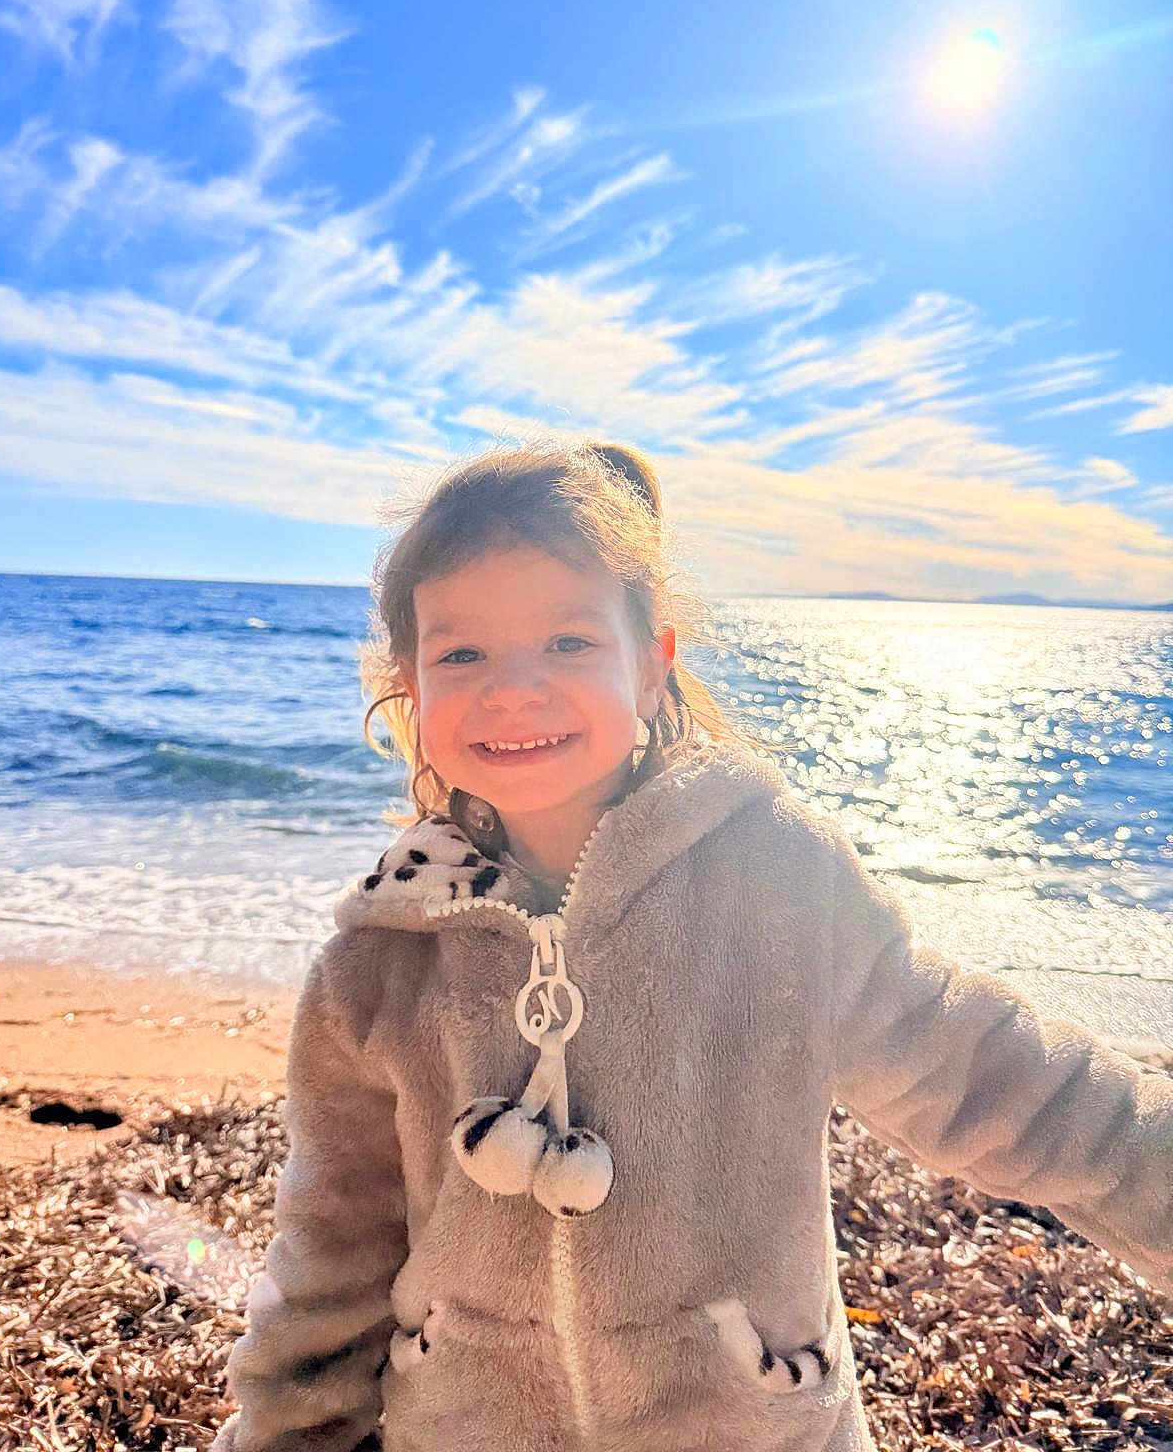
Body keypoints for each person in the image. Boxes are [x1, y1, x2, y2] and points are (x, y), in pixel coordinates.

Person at [210, 436, 1171, 1452]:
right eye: (463, 654)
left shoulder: (770, 879)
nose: (514, 687)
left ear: (653, 664)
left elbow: (995, 1078)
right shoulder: (377, 963)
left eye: (569, 642)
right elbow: (331, 1250)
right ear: (411, 687)